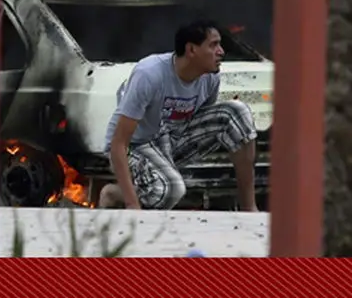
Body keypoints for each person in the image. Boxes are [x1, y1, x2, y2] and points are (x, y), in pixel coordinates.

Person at [98, 20, 258, 211]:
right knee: (171, 191)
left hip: (170, 139)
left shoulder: (211, 77)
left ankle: (249, 208)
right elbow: (119, 144)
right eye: (213, 45)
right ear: (191, 50)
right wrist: (133, 204)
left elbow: (202, 122)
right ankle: (114, 193)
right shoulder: (149, 74)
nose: (221, 52)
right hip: (135, 144)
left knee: (238, 113)